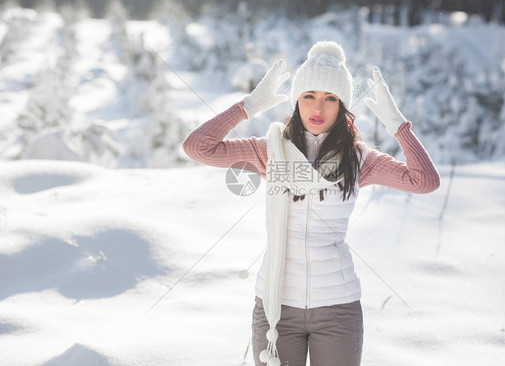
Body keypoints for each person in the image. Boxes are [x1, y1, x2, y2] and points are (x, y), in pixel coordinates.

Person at [182, 41, 440, 366]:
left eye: (330, 98)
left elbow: (425, 181)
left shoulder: (360, 159)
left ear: (342, 106)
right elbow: (198, 148)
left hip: (337, 307)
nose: (318, 109)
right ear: (296, 102)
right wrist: (247, 107)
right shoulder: (270, 150)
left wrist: (398, 127)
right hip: (277, 307)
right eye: (309, 96)